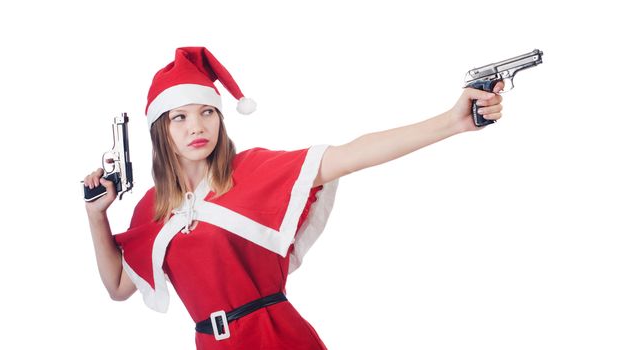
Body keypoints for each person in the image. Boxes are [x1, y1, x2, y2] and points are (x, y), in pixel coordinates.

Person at [83, 47, 505, 349]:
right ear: (162, 128)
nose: (197, 126)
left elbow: (351, 154)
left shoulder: (252, 170)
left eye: (207, 112)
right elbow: (119, 287)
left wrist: (451, 122)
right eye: (180, 116)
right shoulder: (151, 209)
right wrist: (96, 215)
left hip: (278, 338)